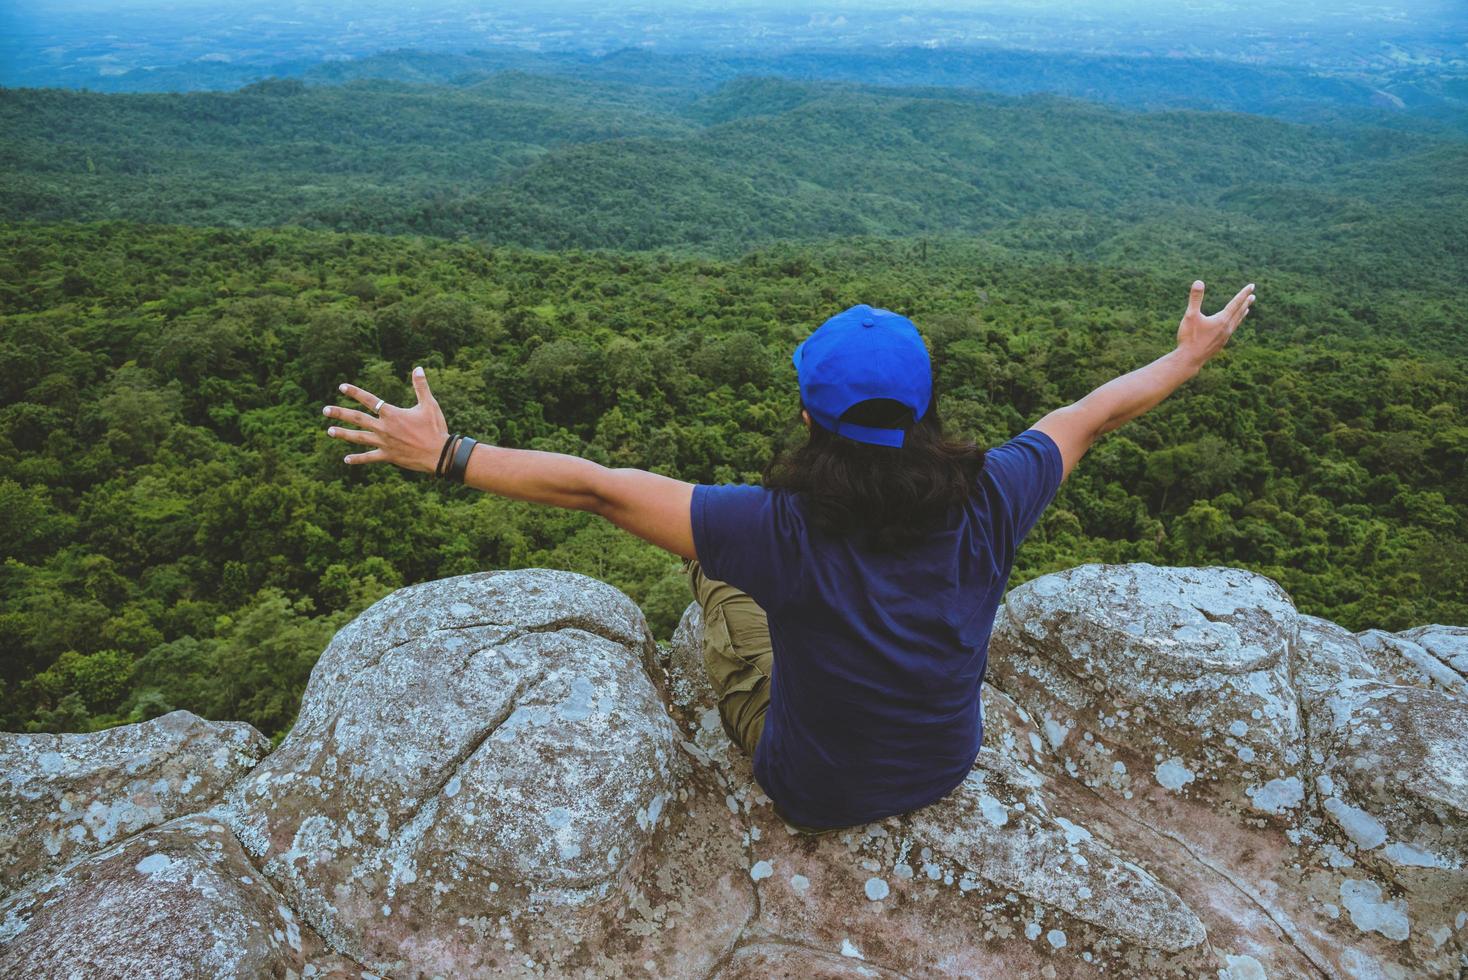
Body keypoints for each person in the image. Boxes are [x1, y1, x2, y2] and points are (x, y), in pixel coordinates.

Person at [323, 278, 1256, 834]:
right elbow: (1093, 412)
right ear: (925, 409)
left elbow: (601, 487)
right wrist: (1188, 357)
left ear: (809, 414)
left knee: (711, 568)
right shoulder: (995, 492)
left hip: (810, 788)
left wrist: (448, 455)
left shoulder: (772, 527)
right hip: (947, 764)